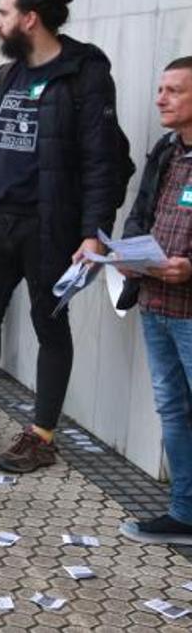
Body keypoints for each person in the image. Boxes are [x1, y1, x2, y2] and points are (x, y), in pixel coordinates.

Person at [0, 0, 125, 473]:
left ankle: (42, 436)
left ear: (30, 19)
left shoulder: (85, 73)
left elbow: (99, 158)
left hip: (48, 226)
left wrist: (93, 231)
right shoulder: (6, 77)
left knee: (50, 324)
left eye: (3, 14)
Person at [116, 57, 192, 545]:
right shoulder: (166, 150)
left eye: (174, 91)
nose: (161, 98)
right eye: (160, 88)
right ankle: (185, 513)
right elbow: (141, 212)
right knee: (172, 408)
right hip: (157, 303)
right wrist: (126, 253)